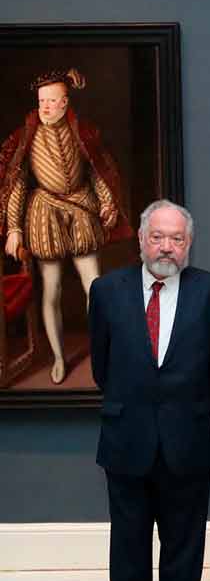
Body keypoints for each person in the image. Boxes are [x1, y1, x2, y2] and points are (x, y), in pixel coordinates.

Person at [88, 200, 210, 581]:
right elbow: (103, 366)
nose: (167, 246)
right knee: (128, 545)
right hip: (127, 436)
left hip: (188, 437)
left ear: (189, 244)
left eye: (177, 239)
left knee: (184, 546)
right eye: (158, 237)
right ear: (141, 239)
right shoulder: (106, 291)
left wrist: (188, 407)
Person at [1, 68, 131, 383]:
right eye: (41, 101)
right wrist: (15, 228)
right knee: (52, 289)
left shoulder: (82, 131)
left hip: (82, 209)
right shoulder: (26, 136)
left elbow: (98, 171)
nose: (44, 107)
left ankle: (103, 352)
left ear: (65, 102)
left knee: (95, 286)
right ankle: (59, 357)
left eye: (51, 101)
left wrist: (107, 203)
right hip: (44, 212)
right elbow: (17, 183)